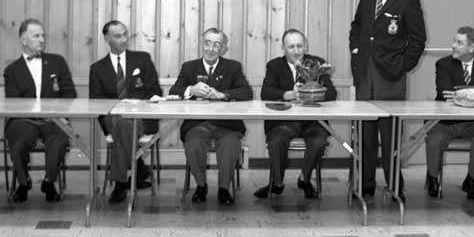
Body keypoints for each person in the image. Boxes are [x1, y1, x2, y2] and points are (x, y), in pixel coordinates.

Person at [349, 0, 426, 200]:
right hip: (365, 74)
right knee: (365, 135)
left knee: (390, 135)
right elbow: (357, 26)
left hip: (390, 76)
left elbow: (418, 39)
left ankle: (394, 185)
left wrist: (403, 66)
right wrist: (355, 49)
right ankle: (366, 184)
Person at [169, 28, 252, 205]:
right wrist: (191, 90)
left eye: (216, 45)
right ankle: (201, 185)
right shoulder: (189, 67)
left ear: (223, 48)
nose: (211, 49)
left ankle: (224, 188)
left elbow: (246, 92)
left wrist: (222, 95)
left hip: (227, 124)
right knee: (194, 143)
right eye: (207, 43)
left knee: (230, 144)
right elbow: (174, 91)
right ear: (202, 44)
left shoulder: (233, 67)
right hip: (197, 124)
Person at [255, 29, 337, 199]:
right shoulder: (274, 66)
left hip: (313, 122)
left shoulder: (317, 64)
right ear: (283, 48)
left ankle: (304, 179)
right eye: (291, 47)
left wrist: (311, 93)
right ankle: (277, 183)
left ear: (305, 46)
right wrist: (288, 95)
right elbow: (266, 93)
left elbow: (332, 93)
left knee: (319, 141)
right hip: (283, 121)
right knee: (276, 141)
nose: (296, 51)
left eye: (299, 46)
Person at [89, 20, 162, 204]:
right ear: (107, 39)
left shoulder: (142, 59)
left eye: (125, 34)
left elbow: (155, 91)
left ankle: (121, 183)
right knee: (121, 123)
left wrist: (139, 105)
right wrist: (115, 112)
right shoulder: (97, 69)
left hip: (142, 118)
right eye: (117, 36)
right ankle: (137, 168)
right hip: (113, 119)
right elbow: (96, 103)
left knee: (123, 126)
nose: (123, 39)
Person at [3, 18, 76, 203]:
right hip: (23, 120)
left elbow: (69, 94)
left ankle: (49, 182)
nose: (42, 40)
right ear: (23, 40)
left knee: (59, 140)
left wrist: (61, 116)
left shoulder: (57, 62)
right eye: (36, 36)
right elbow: (14, 103)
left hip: (53, 119)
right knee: (18, 142)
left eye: (43, 35)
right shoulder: (12, 70)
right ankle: (23, 182)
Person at [427, 26, 474, 200]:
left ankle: (471, 179)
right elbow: (445, 93)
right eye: (454, 41)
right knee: (434, 141)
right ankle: (433, 178)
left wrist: (462, 94)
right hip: (445, 122)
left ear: (471, 47)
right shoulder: (443, 64)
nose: (453, 45)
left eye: (459, 43)